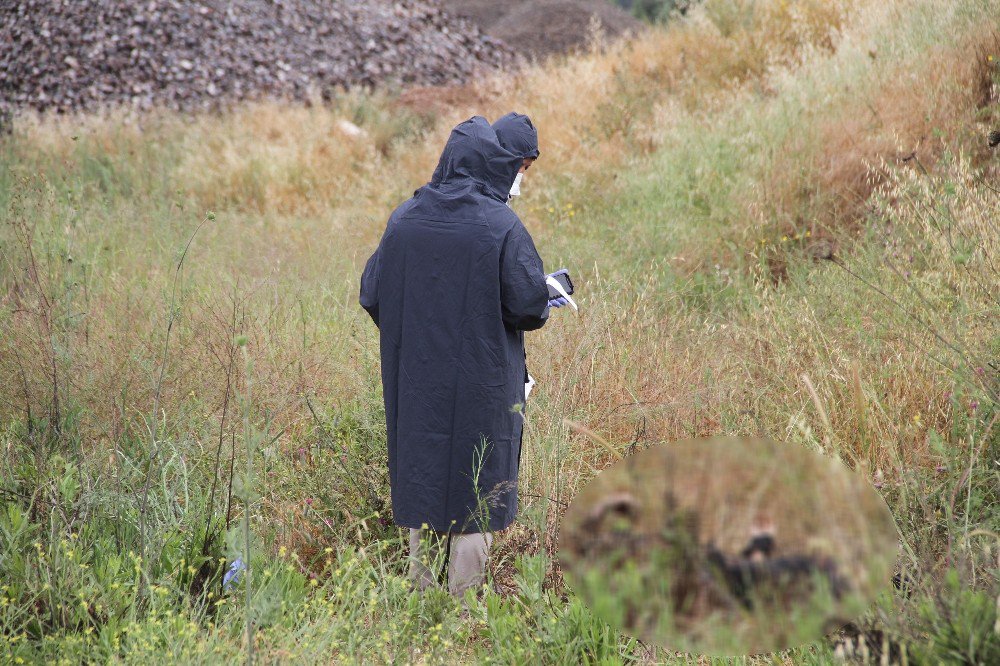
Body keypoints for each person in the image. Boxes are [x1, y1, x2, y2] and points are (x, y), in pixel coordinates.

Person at [359, 113, 559, 598]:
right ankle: (463, 615)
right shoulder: (500, 225)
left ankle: (422, 607)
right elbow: (530, 306)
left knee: (423, 475)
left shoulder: (403, 220)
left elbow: (372, 292)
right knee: (478, 487)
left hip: (417, 381)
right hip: (482, 384)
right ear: (491, 162)